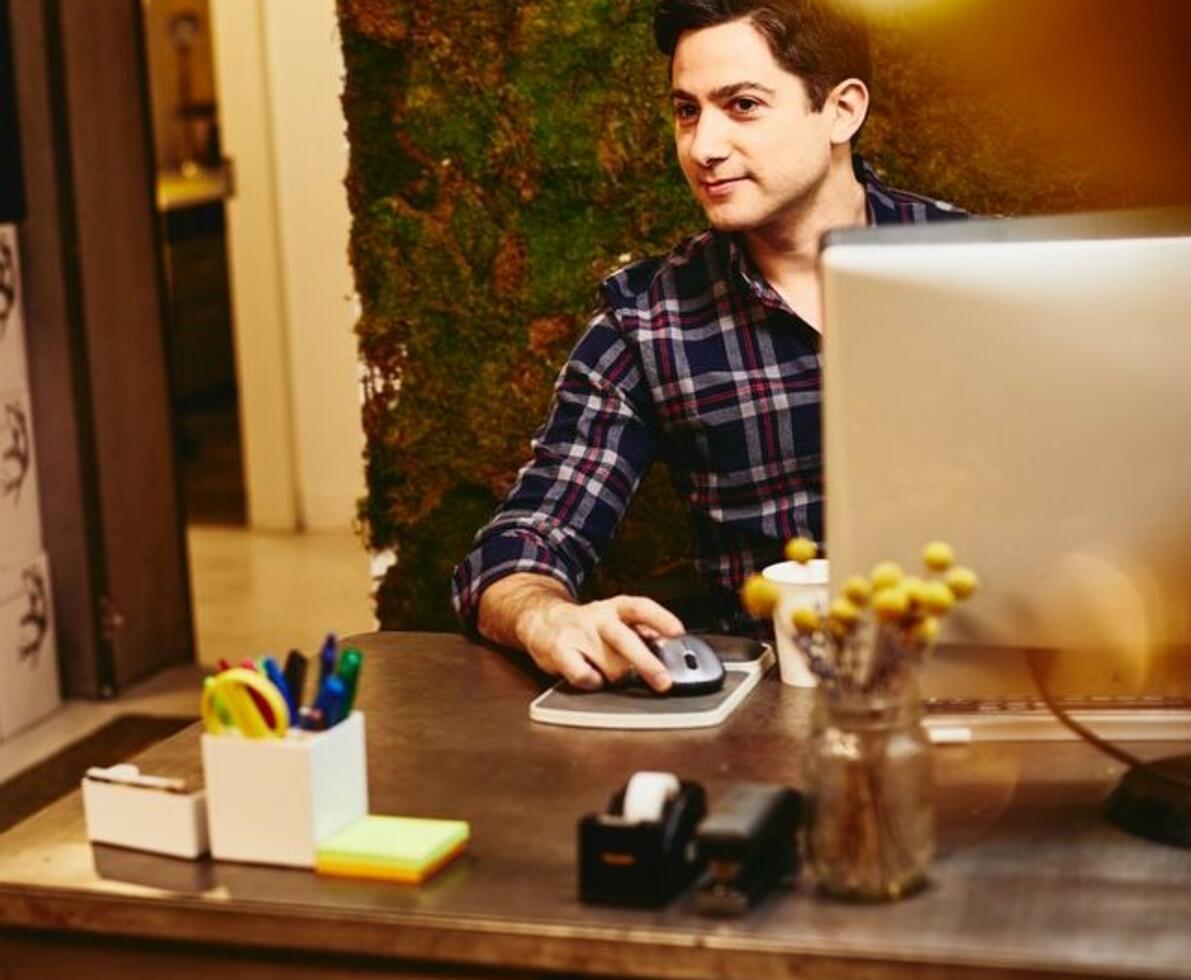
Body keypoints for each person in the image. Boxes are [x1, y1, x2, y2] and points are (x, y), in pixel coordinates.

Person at [451, 0, 967, 693]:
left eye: (742, 105)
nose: (702, 146)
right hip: (771, 717)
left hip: (994, 683)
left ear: (841, 111)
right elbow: (522, 542)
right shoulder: (646, 320)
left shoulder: (978, 268)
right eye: (687, 111)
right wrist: (545, 618)